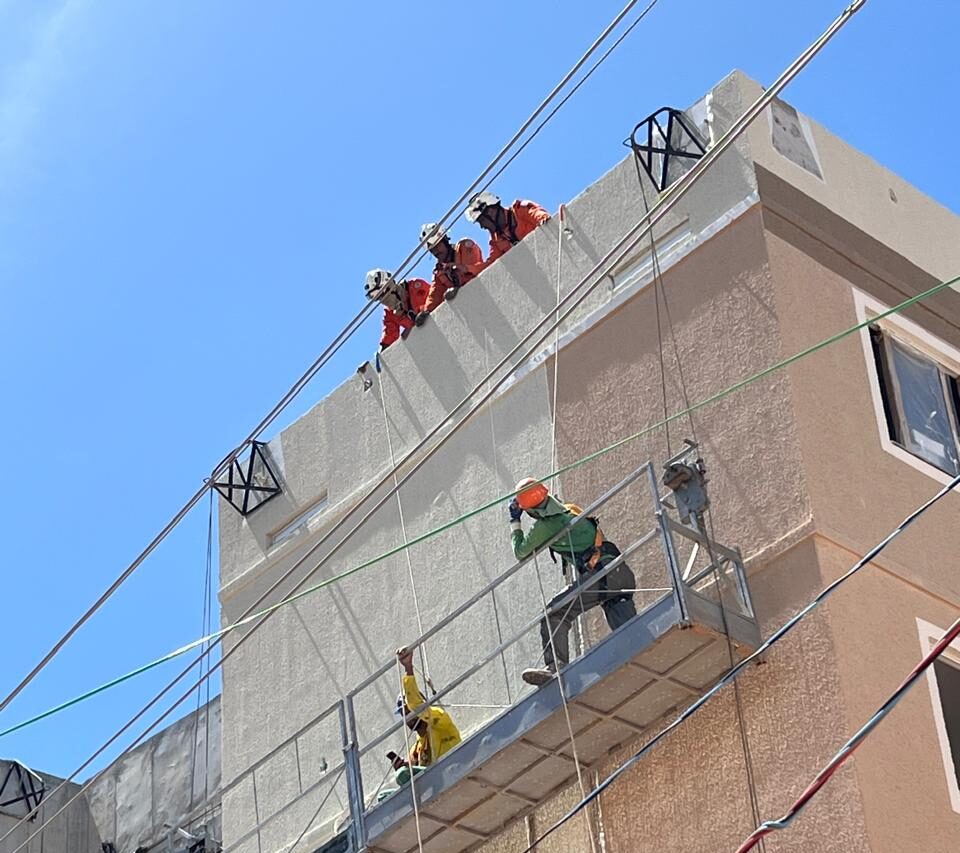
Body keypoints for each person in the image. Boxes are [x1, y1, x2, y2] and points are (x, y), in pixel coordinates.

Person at [508, 478, 637, 686]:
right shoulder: (570, 510)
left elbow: (521, 551)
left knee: (554, 613)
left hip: (602, 576)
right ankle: (640, 651)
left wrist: (515, 521)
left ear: (530, 510)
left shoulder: (547, 524)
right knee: (633, 637)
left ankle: (554, 667)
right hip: (619, 573)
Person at [385, 647, 461, 791]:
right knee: (384, 795)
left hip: (451, 770)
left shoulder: (440, 720)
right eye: (404, 714)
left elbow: (416, 705)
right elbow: (411, 770)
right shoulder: (417, 748)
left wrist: (408, 667)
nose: (409, 718)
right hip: (432, 785)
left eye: (409, 712)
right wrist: (402, 766)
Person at [465, 191, 550, 265]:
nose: (482, 226)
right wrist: (468, 269)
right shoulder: (495, 240)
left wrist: (544, 220)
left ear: (491, 212)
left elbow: (541, 217)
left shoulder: (521, 209)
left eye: (482, 221)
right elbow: (491, 265)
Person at [364, 269, 432, 350]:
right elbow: (390, 333)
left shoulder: (416, 286)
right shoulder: (390, 313)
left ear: (391, 287)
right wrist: (382, 350)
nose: (383, 301)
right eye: (379, 298)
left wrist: (424, 312)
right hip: (425, 342)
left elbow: (434, 300)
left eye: (382, 295)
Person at [420, 222, 485, 307]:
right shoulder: (439, 272)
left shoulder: (464, 247)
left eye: (437, 246)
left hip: (482, 293)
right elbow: (434, 296)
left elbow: (473, 272)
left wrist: (457, 289)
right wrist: (426, 312)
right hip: (468, 306)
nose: (435, 252)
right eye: (432, 250)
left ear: (445, 240)